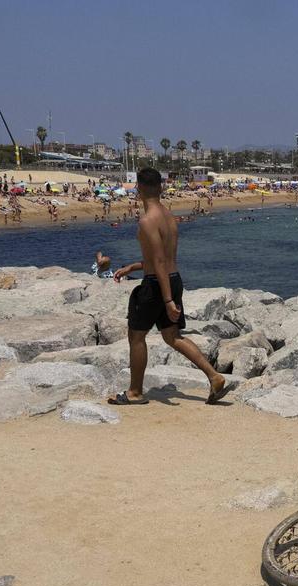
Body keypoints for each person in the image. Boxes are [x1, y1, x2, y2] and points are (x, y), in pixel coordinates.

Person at [107, 167, 228, 406]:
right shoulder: (169, 217)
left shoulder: (146, 221)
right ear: (161, 188)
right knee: (172, 336)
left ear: (139, 189)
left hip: (156, 286)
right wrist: (133, 267)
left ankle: (134, 392)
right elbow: (162, 258)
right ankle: (214, 376)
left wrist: (167, 300)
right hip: (173, 279)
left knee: (136, 336)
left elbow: (159, 261)